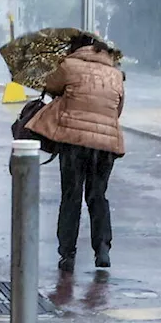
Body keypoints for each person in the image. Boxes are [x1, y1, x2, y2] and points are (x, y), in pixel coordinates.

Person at [25, 34, 126, 273]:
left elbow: (50, 86)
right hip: (106, 145)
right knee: (97, 195)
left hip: (74, 142)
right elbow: (118, 109)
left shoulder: (68, 65)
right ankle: (102, 247)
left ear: (76, 48)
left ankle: (67, 254)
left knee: (71, 195)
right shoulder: (115, 74)